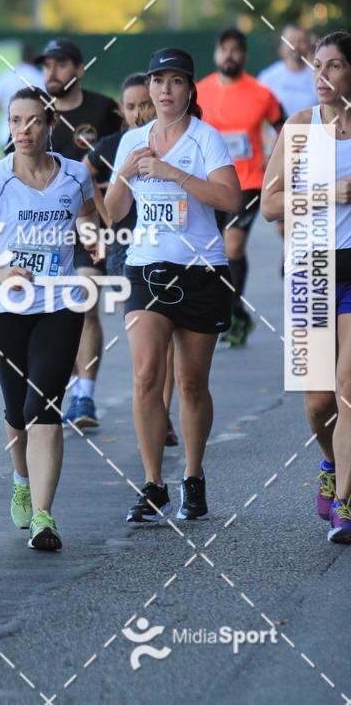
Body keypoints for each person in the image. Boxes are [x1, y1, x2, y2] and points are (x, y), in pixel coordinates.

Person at [0, 87, 99, 551]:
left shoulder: (75, 174)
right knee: (17, 411)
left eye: (32, 120)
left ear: (50, 123)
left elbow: (87, 214)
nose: (23, 129)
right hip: (2, 309)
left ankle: (43, 517)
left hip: (60, 303)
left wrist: (91, 240)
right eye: (15, 121)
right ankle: (21, 479)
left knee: (43, 407)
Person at [105, 48, 240, 523]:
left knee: (191, 383)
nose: (165, 90)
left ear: (189, 89)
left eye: (175, 81)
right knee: (145, 375)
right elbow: (114, 212)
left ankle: (193, 477)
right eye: (158, 80)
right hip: (146, 268)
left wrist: (173, 174)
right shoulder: (132, 141)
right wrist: (125, 173)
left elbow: (231, 198)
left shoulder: (206, 139)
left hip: (202, 271)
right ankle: (153, 483)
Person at [261, 30, 351, 544]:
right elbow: (269, 205)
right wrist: (328, 193)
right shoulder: (299, 126)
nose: (321, 74)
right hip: (311, 271)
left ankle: (345, 504)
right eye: (317, 65)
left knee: (347, 391)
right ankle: (329, 461)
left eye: (333, 65)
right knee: (319, 403)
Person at [84, 73, 179, 447]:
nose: (139, 113)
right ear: (121, 111)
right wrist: (105, 215)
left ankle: (163, 412)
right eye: (131, 106)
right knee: (147, 339)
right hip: (126, 248)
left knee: (168, 339)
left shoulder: (174, 140)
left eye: (145, 104)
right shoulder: (113, 145)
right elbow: (81, 176)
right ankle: (155, 409)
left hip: (168, 246)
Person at [36, 38, 121, 429]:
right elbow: (13, 164)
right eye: (47, 65)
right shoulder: (36, 112)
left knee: (84, 303)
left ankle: (85, 396)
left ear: (79, 69)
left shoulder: (104, 109)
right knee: (56, 315)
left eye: (61, 64)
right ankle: (70, 384)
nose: (52, 72)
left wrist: (111, 189)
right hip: (44, 231)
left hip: (90, 224)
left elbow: (130, 146)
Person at [197, 28, 284, 347]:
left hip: (248, 181)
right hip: (209, 181)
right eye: (224, 49)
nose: (229, 55)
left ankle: (229, 314)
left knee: (233, 246)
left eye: (235, 50)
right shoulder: (200, 91)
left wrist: (276, 158)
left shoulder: (261, 93)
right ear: (216, 53)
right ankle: (236, 311)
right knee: (213, 249)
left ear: (244, 55)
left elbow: (285, 127)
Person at [0, 43, 44, 150]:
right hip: (33, 134)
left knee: (8, 160)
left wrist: (9, 111)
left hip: (7, 132)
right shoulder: (39, 77)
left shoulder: (7, 75)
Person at [258, 25, 318, 118]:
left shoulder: (320, 77)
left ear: (308, 45)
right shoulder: (267, 78)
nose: (296, 46)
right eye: (291, 42)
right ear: (282, 46)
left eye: (301, 41)